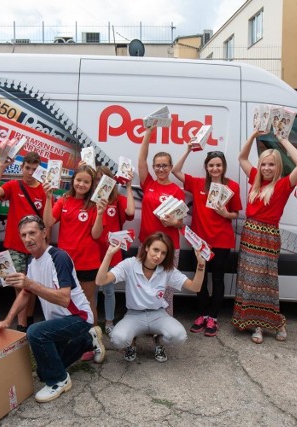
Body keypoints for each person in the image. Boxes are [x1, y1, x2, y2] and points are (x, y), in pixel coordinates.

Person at [0, 215, 105, 403]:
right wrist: (7, 320)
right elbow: (25, 293)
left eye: (32, 233)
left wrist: (30, 283)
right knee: (43, 372)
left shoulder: (58, 257)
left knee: (35, 331)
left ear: (44, 233)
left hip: (78, 317)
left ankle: (60, 381)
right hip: (58, 322)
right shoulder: (31, 262)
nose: (28, 239)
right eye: (24, 235)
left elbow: (63, 298)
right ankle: (87, 340)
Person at [231, 129, 297, 343]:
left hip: (268, 237)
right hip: (250, 235)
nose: (266, 168)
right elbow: (242, 158)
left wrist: (282, 140)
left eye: (271, 164)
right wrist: (254, 135)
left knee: (265, 283)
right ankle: (255, 322)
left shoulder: (284, 185)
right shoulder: (256, 179)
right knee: (248, 282)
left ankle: (270, 322)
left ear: (278, 167)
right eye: (264, 164)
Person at [95, 232, 205, 363]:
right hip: (134, 315)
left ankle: (158, 341)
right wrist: (109, 254)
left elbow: (195, 287)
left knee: (180, 336)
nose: (158, 256)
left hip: (158, 314)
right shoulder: (129, 264)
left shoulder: (167, 270)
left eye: (163, 253)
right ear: (146, 247)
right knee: (118, 340)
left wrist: (201, 265)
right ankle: (132, 343)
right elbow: (100, 281)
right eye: (155, 250)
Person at [172, 147, 242, 337]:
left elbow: (236, 213)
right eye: (211, 165)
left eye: (218, 165)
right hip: (199, 243)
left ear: (224, 166)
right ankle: (202, 314)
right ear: (206, 167)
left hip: (221, 240)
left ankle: (213, 317)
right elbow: (175, 171)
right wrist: (186, 150)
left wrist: (226, 214)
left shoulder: (233, 186)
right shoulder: (197, 183)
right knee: (200, 280)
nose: (215, 168)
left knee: (218, 279)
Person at [0, 149, 46, 332]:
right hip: (15, 246)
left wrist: (46, 245)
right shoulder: (14, 185)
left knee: (33, 288)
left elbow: (47, 221)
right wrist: (0, 169)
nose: (30, 172)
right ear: (22, 167)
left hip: (36, 248)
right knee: (20, 289)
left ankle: (28, 322)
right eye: (27, 168)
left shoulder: (43, 189)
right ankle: (22, 328)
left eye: (34, 169)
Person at [43, 164, 105, 332]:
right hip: (66, 263)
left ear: (92, 184)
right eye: (78, 180)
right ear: (73, 181)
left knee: (88, 301)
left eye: (86, 182)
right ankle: (73, 337)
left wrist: (100, 213)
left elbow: (96, 234)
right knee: (67, 302)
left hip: (87, 262)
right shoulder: (63, 200)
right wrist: (49, 198)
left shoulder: (94, 205)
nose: (81, 184)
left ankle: (93, 339)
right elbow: (48, 222)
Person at [138, 125, 185, 316]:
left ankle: (163, 324)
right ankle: (144, 320)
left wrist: (174, 223)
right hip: (147, 245)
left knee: (166, 289)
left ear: (171, 167)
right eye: (157, 165)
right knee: (143, 285)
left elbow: (181, 222)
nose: (161, 169)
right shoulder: (148, 182)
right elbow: (141, 160)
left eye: (165, 165)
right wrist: (148, 132)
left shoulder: (177, 190)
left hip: (169, 246)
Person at [94, 166, 135, 335]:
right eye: (97, 179)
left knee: (109, 290)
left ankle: (109, 322)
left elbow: (131, 212)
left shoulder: (117, 200)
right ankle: (92, 323)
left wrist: (129, 186)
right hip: (92, 252)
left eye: (104, 179)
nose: (101, 182)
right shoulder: (90, 200)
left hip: (111, 254)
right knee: (92, 291)